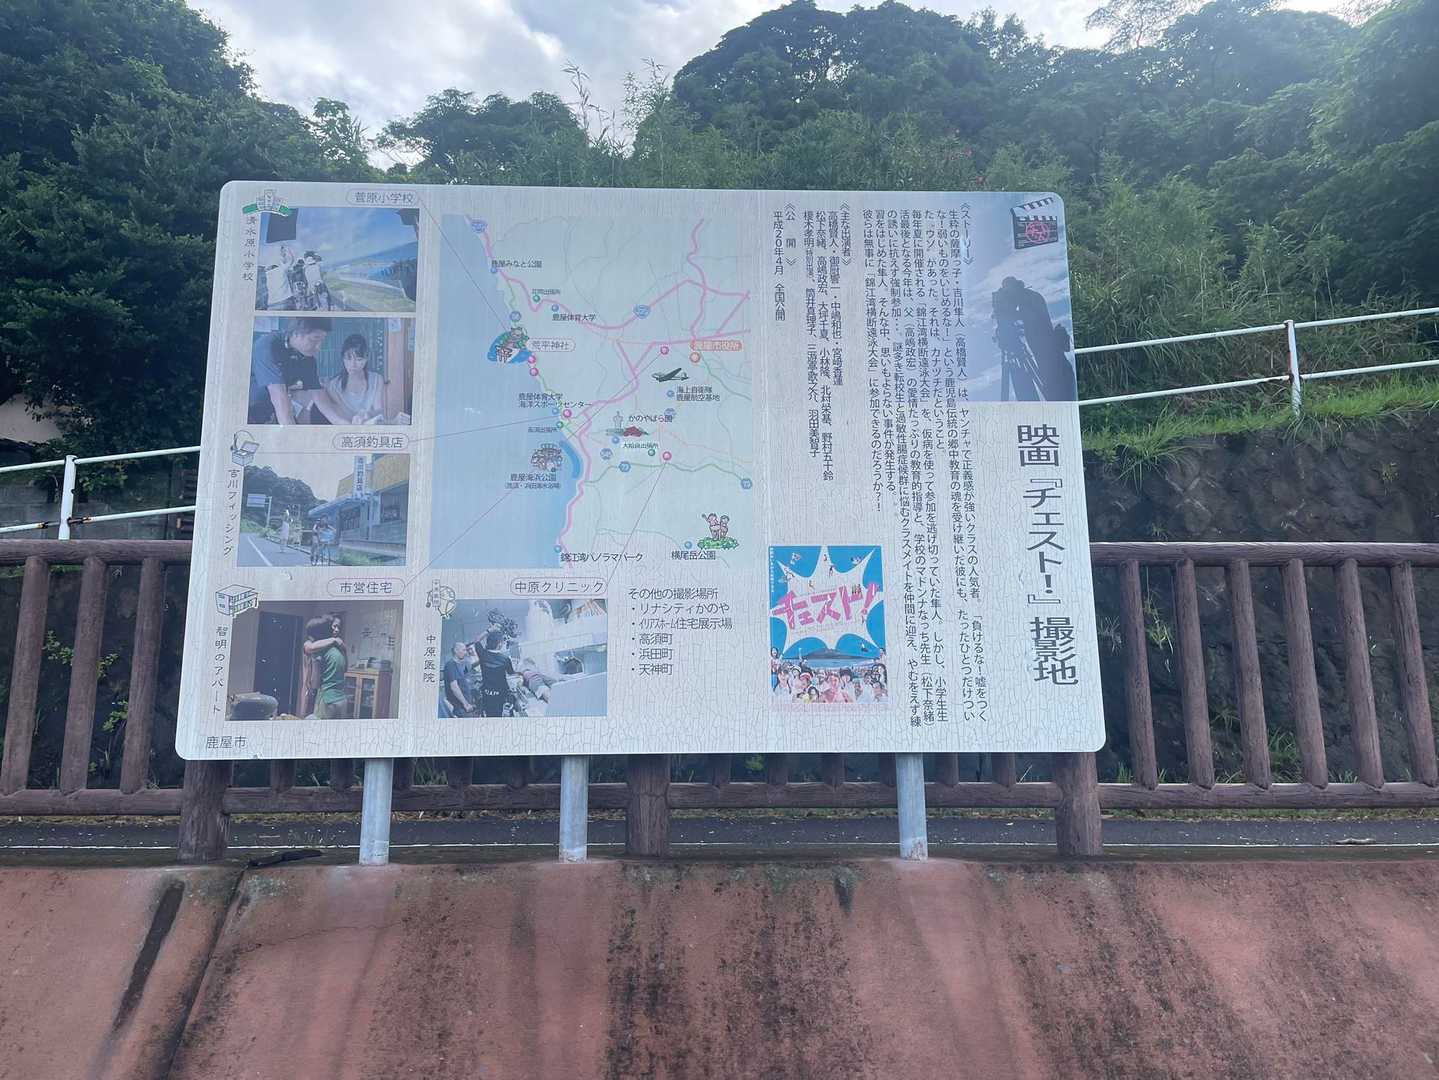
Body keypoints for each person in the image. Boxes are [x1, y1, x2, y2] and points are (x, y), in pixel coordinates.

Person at [248, 319, 351, 426]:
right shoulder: (267, 347)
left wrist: (342, 423)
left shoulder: (306, 358)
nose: (319, 347)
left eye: (322, 340)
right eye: (315, 339)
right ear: (296, 333)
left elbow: (318, 396)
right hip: (250, 412)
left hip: (272, 411)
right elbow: (278, 396)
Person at [324, 334, 386, 424]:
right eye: (348, 358)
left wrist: (368, 415)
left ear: (366, 358)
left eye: (359, 359)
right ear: (343, 358)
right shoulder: (334, 385)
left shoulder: (377, 379)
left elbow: (379, 410)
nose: (353, 364)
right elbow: (338, 416)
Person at [302, 616, 349, 719]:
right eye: (334, 626)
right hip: (341, 699)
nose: (336, 630)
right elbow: (345, 669)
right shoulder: (339, 649)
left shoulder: (320, 651)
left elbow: (315, 683)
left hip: (327, 699)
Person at [474, 629, 517, 717]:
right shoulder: (505, 659)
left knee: (491, 716)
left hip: (487, 695)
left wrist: (489, 630)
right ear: (500, 644)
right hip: (501, 696)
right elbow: (511, 673)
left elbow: (477, 640)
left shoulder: (483, 654)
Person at [442, 641, 475, 716]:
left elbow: (467, 671)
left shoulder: (460, 664)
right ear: (456, 651)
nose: (465, 652)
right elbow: (454, 687)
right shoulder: (450, 665)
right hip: (460, 707)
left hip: (466, 704)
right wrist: (465, 704)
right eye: (464, 650)